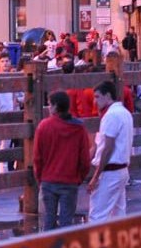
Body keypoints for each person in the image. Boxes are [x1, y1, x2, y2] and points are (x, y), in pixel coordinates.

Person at [33, 91, 90, 229]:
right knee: (66, 223)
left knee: (48, 220)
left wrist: (40, 178)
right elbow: (84, 159)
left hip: (48, 180)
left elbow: (37, 157)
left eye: (49, 104)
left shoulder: (44, 126)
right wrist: (78, 178)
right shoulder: (79, 128)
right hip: (69, 181)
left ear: (55, 107)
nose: (48, 107)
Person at [87, 81, 133, 222]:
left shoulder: (111, 115)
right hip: (121, 169)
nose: (95, 101)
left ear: (107, 96)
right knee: (118, 214)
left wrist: (96, 175)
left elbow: (108, 148)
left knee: (97, 215)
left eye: (97, 97)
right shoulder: (124, 112)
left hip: (110, 171)